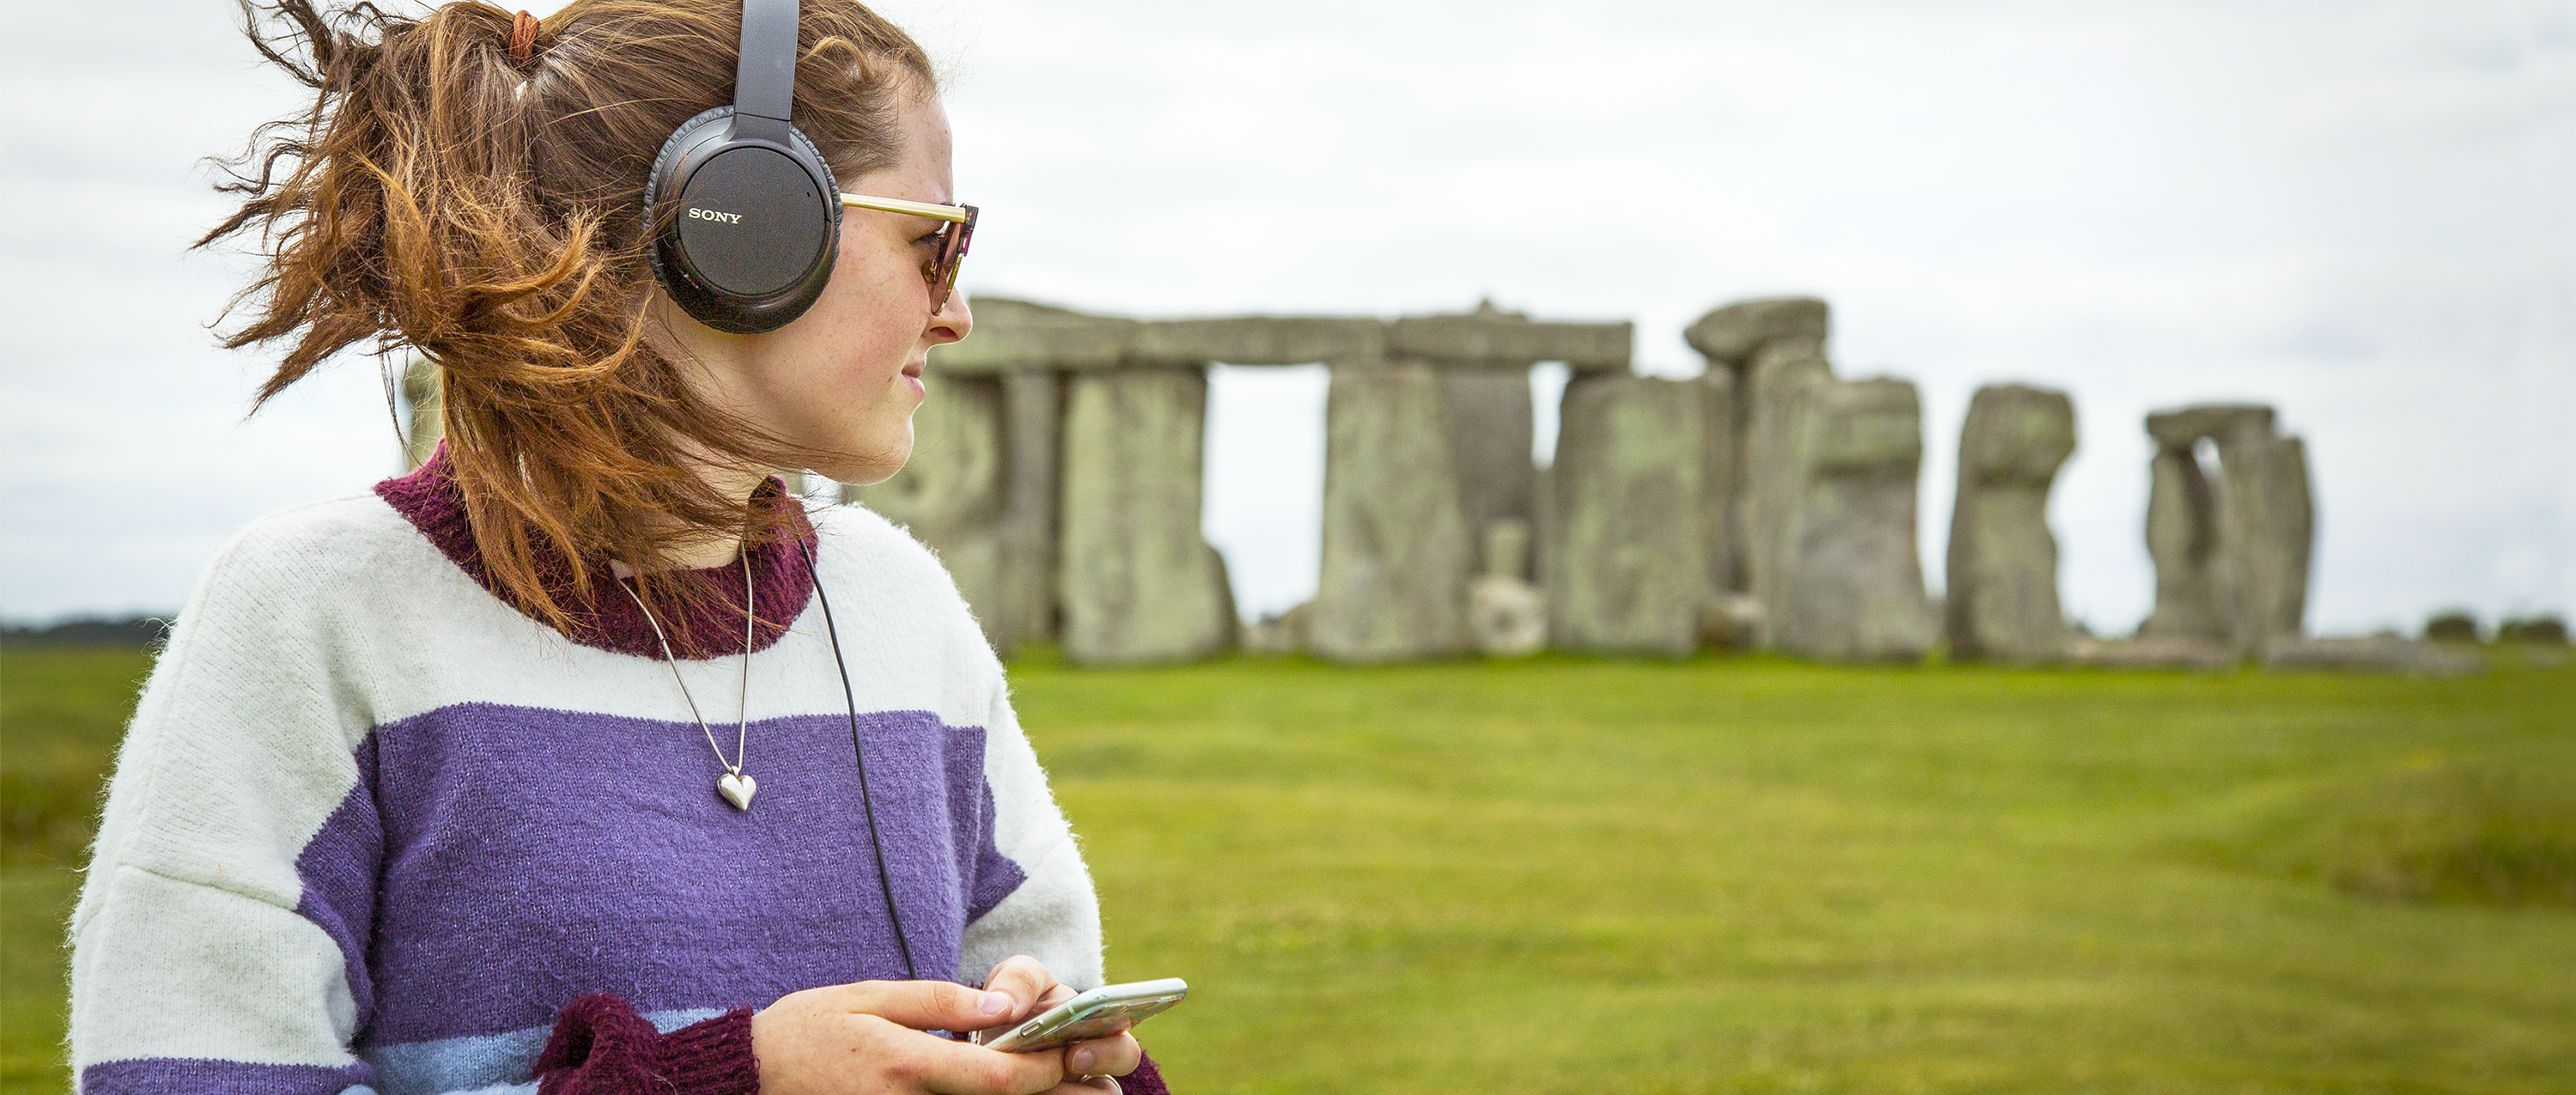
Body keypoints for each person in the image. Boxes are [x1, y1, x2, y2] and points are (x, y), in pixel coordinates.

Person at [65, 2, 1166, 1092]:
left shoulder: (906, 613)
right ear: (747, 225)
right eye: (937, 241)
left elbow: (1039, 982)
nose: (957, 309)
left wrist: (1062, 1070)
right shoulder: (313, 616)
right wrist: (732, 1085)